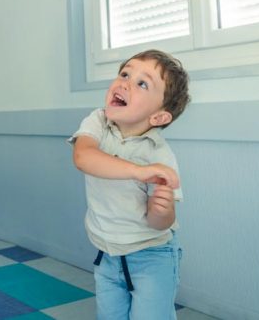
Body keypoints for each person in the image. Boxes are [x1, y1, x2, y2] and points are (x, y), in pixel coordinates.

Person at [71, 49, 190, 320]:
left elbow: (160, 222)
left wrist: (162, 210)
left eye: (142, 83)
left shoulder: (159, 156)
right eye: (125, 73)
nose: (125, 82)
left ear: (159, 117)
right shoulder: (99, 121)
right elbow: (83, 156)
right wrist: (138, 172)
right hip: (108, 253)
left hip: (151, 256)